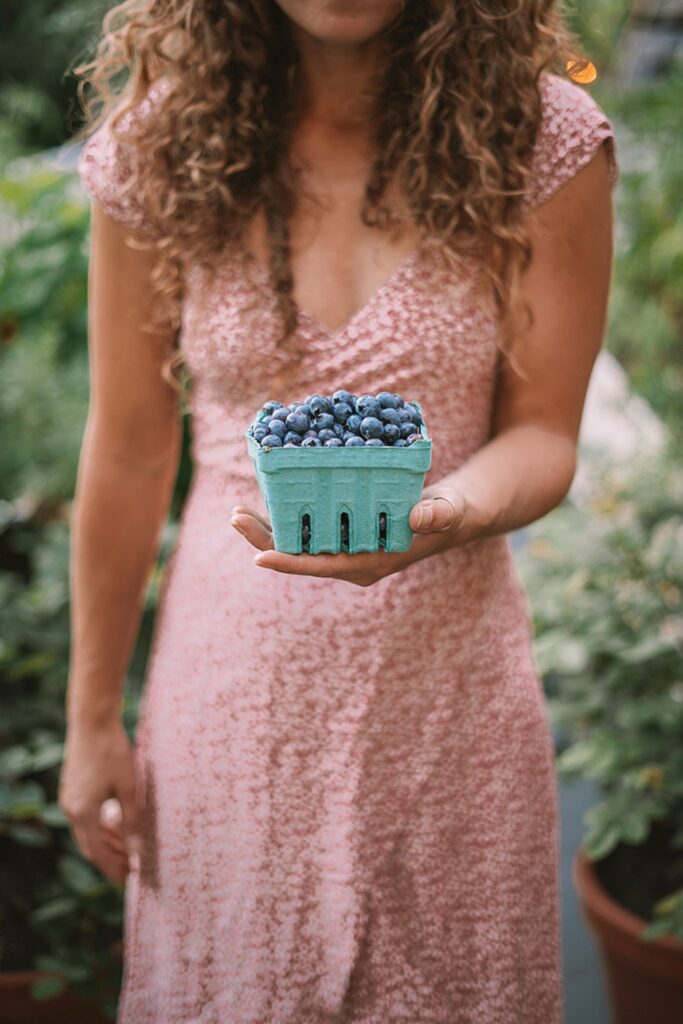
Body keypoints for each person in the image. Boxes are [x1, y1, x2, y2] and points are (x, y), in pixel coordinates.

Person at [59, 1, 619, 1021]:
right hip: (230, 701)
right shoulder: (156, 148)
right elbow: (132, 446)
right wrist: (91, 714)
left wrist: (443, 510)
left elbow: (543, 431)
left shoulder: (541, 140)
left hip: (448, 698)